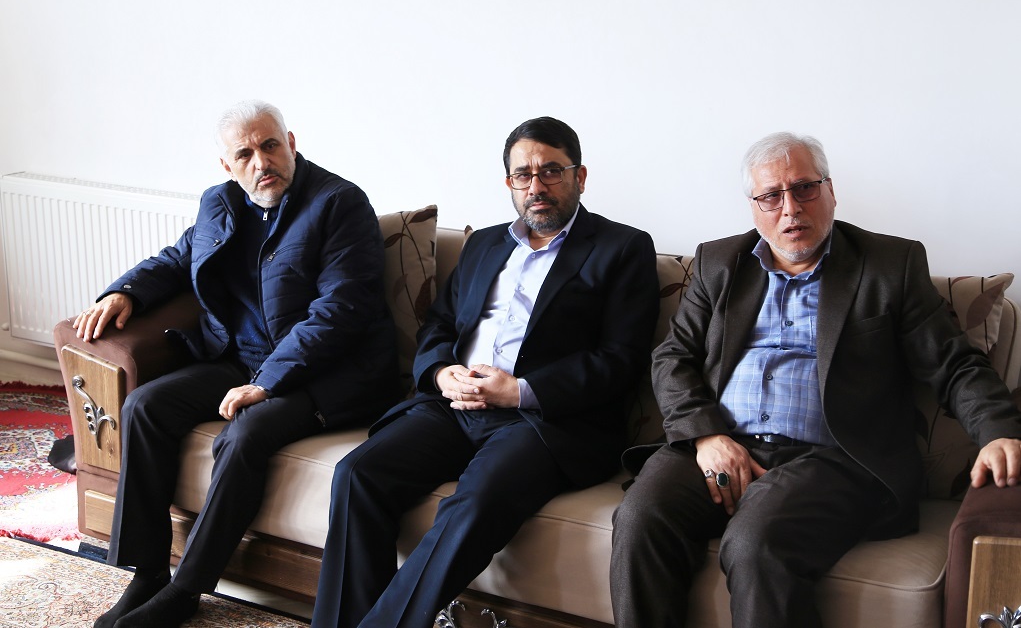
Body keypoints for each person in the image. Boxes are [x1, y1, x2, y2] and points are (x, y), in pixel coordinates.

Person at [609, 132, 1021, 627]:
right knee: (640, 517)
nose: (790, 208)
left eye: (804, 188)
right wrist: (705, 436)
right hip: (722, 442)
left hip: (833, 458)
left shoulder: (889, 265)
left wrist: (998, 432)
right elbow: (672, 357)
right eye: (770, 196)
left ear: (830, 190)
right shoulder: (719, 263)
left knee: (756, 540)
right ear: (753, 206)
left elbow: (953, 364)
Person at [310, 116, 660, 628]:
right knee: (357, 474)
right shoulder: (485, 244)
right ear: (509, 183)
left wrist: (518, 391)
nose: (536, 186)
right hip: (454, 406)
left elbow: (620, 358)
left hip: (542, 421)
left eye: (551, 171)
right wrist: (440, 373)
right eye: (523, 175)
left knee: (475, 501)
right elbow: (440, 324)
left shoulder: (623, 248)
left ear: (580, 177)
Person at [75, 100, 401, 628]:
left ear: (291, 143)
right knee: (146, 406)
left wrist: (268, 382)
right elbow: (179, 258)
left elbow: (341, 310)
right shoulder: (220, 202)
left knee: (245, 433)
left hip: (331, 374)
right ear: (227, 166)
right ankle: (148, 572)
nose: (261, 162)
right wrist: (125, 291)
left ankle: (187, 589)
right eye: (245, 154)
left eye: (270, 146)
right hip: (242, 359)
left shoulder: (339, 203)